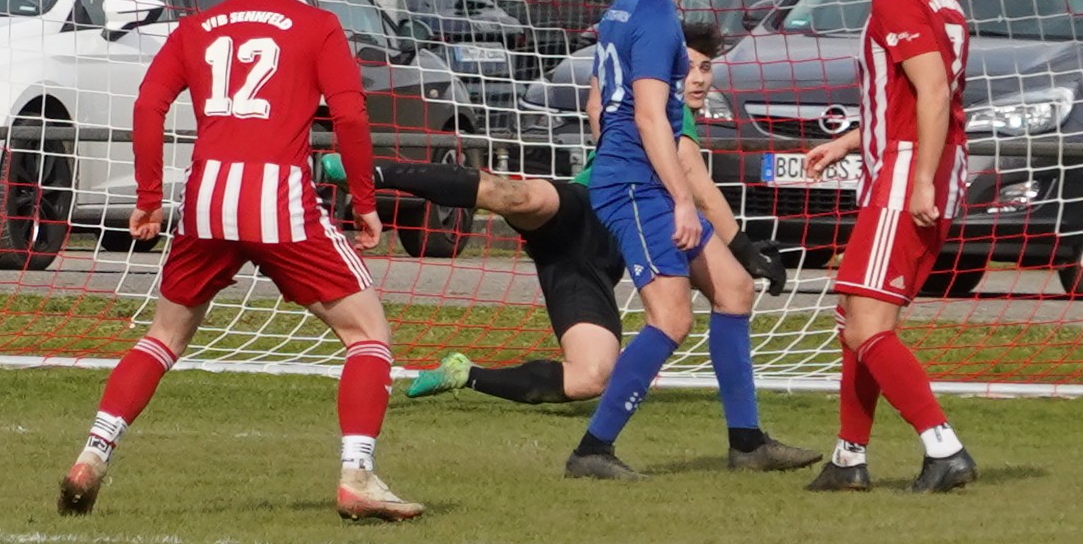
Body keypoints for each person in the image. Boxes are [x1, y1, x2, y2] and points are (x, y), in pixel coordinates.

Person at [57, 0, 422, 522]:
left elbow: (148, 105)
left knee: (164, 336)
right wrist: (364, 202)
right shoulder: (318, 25)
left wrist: (149, 198)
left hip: (206, 201)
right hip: (279, 201)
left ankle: (93, 453)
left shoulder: (196, 27)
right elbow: (351, 115)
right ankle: (357, 474)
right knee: (367, 334)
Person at [323, 22, 787, 406]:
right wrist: (743, 248)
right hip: (581, 210)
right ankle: (371, 172)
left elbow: (598, 105)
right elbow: (698, 186)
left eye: (705, 67)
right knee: (516, 196)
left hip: (591, 263)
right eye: (686, 67)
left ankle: (464, 373)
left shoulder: (647, 103)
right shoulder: (663, 109)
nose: (699, 78)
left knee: (590, 376)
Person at [567, 0, 819, 480]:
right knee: (671, 317)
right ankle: (592, 450)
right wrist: (679, 198)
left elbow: (596, 102)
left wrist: (617, 154)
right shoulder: (658, 18)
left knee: (733, 287)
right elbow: (651, 116)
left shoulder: (621, 8)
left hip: (635, 176)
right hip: (640, 186)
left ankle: (747, 443)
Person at [802, 0, 979, 494]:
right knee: (855, 318)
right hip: (913, 165)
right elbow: (910, 99)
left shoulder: (894, 0)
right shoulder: (943, 0)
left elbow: (933, 92)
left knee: (867, 326)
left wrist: (920, 179)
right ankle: (848, 457)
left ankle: (943, 447)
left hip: (908, 175)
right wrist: (851, 141)